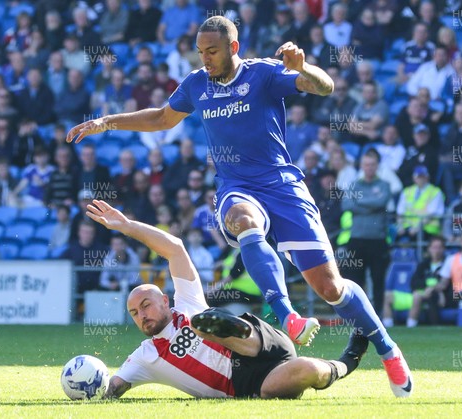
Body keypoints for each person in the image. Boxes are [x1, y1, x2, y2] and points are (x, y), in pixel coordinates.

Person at [68, 16, 413, 397]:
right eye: (200, 53)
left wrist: (304, 68)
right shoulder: (197, 84)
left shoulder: (264, 74)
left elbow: (324, 87)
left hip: (283, 187)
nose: (205, 60)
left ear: (233, 47)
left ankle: (387, 349)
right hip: (236, 187)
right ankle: (288, 316)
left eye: (212, 52)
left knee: (331, 288)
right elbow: (163, 118)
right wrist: (106, 122)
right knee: (242, 219)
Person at [85, 199, 368, 400]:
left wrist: (127, 226)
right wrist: (85, 384)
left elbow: (175, 248)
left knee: (198, 322)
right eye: (134, 313)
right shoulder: (143, 358)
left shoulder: (187, 301)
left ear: (165, 300)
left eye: (145, 305)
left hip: (260, 343)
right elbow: (112, 388)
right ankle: (347, 361)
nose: (142, 315)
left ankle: (232, 328)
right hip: (251, 384)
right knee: (305, 370)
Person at [341, 149, 392, 315]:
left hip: (378, 240)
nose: (369, 167)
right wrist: (372, 206)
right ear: (362, 166)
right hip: (357, 239)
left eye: (372, 165)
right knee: (355, 281)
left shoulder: (384, 185)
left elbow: (382, 201)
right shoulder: (354, 185)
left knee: (378, 280)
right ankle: (358, 317)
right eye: (366, 164)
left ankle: (378, 318)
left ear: (377, 166)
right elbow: (346, 205)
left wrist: (360, 203)